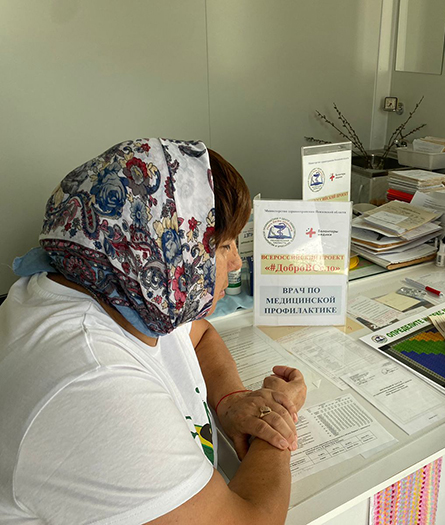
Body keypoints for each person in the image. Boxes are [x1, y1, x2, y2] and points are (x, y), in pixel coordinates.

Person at [0, 139, 306, 524]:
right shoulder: (92, 381)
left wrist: (231, 402)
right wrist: (276, 417)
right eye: (224, 246)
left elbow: (200, 335)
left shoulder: (123, 286)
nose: (235, 263)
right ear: (170, 253)